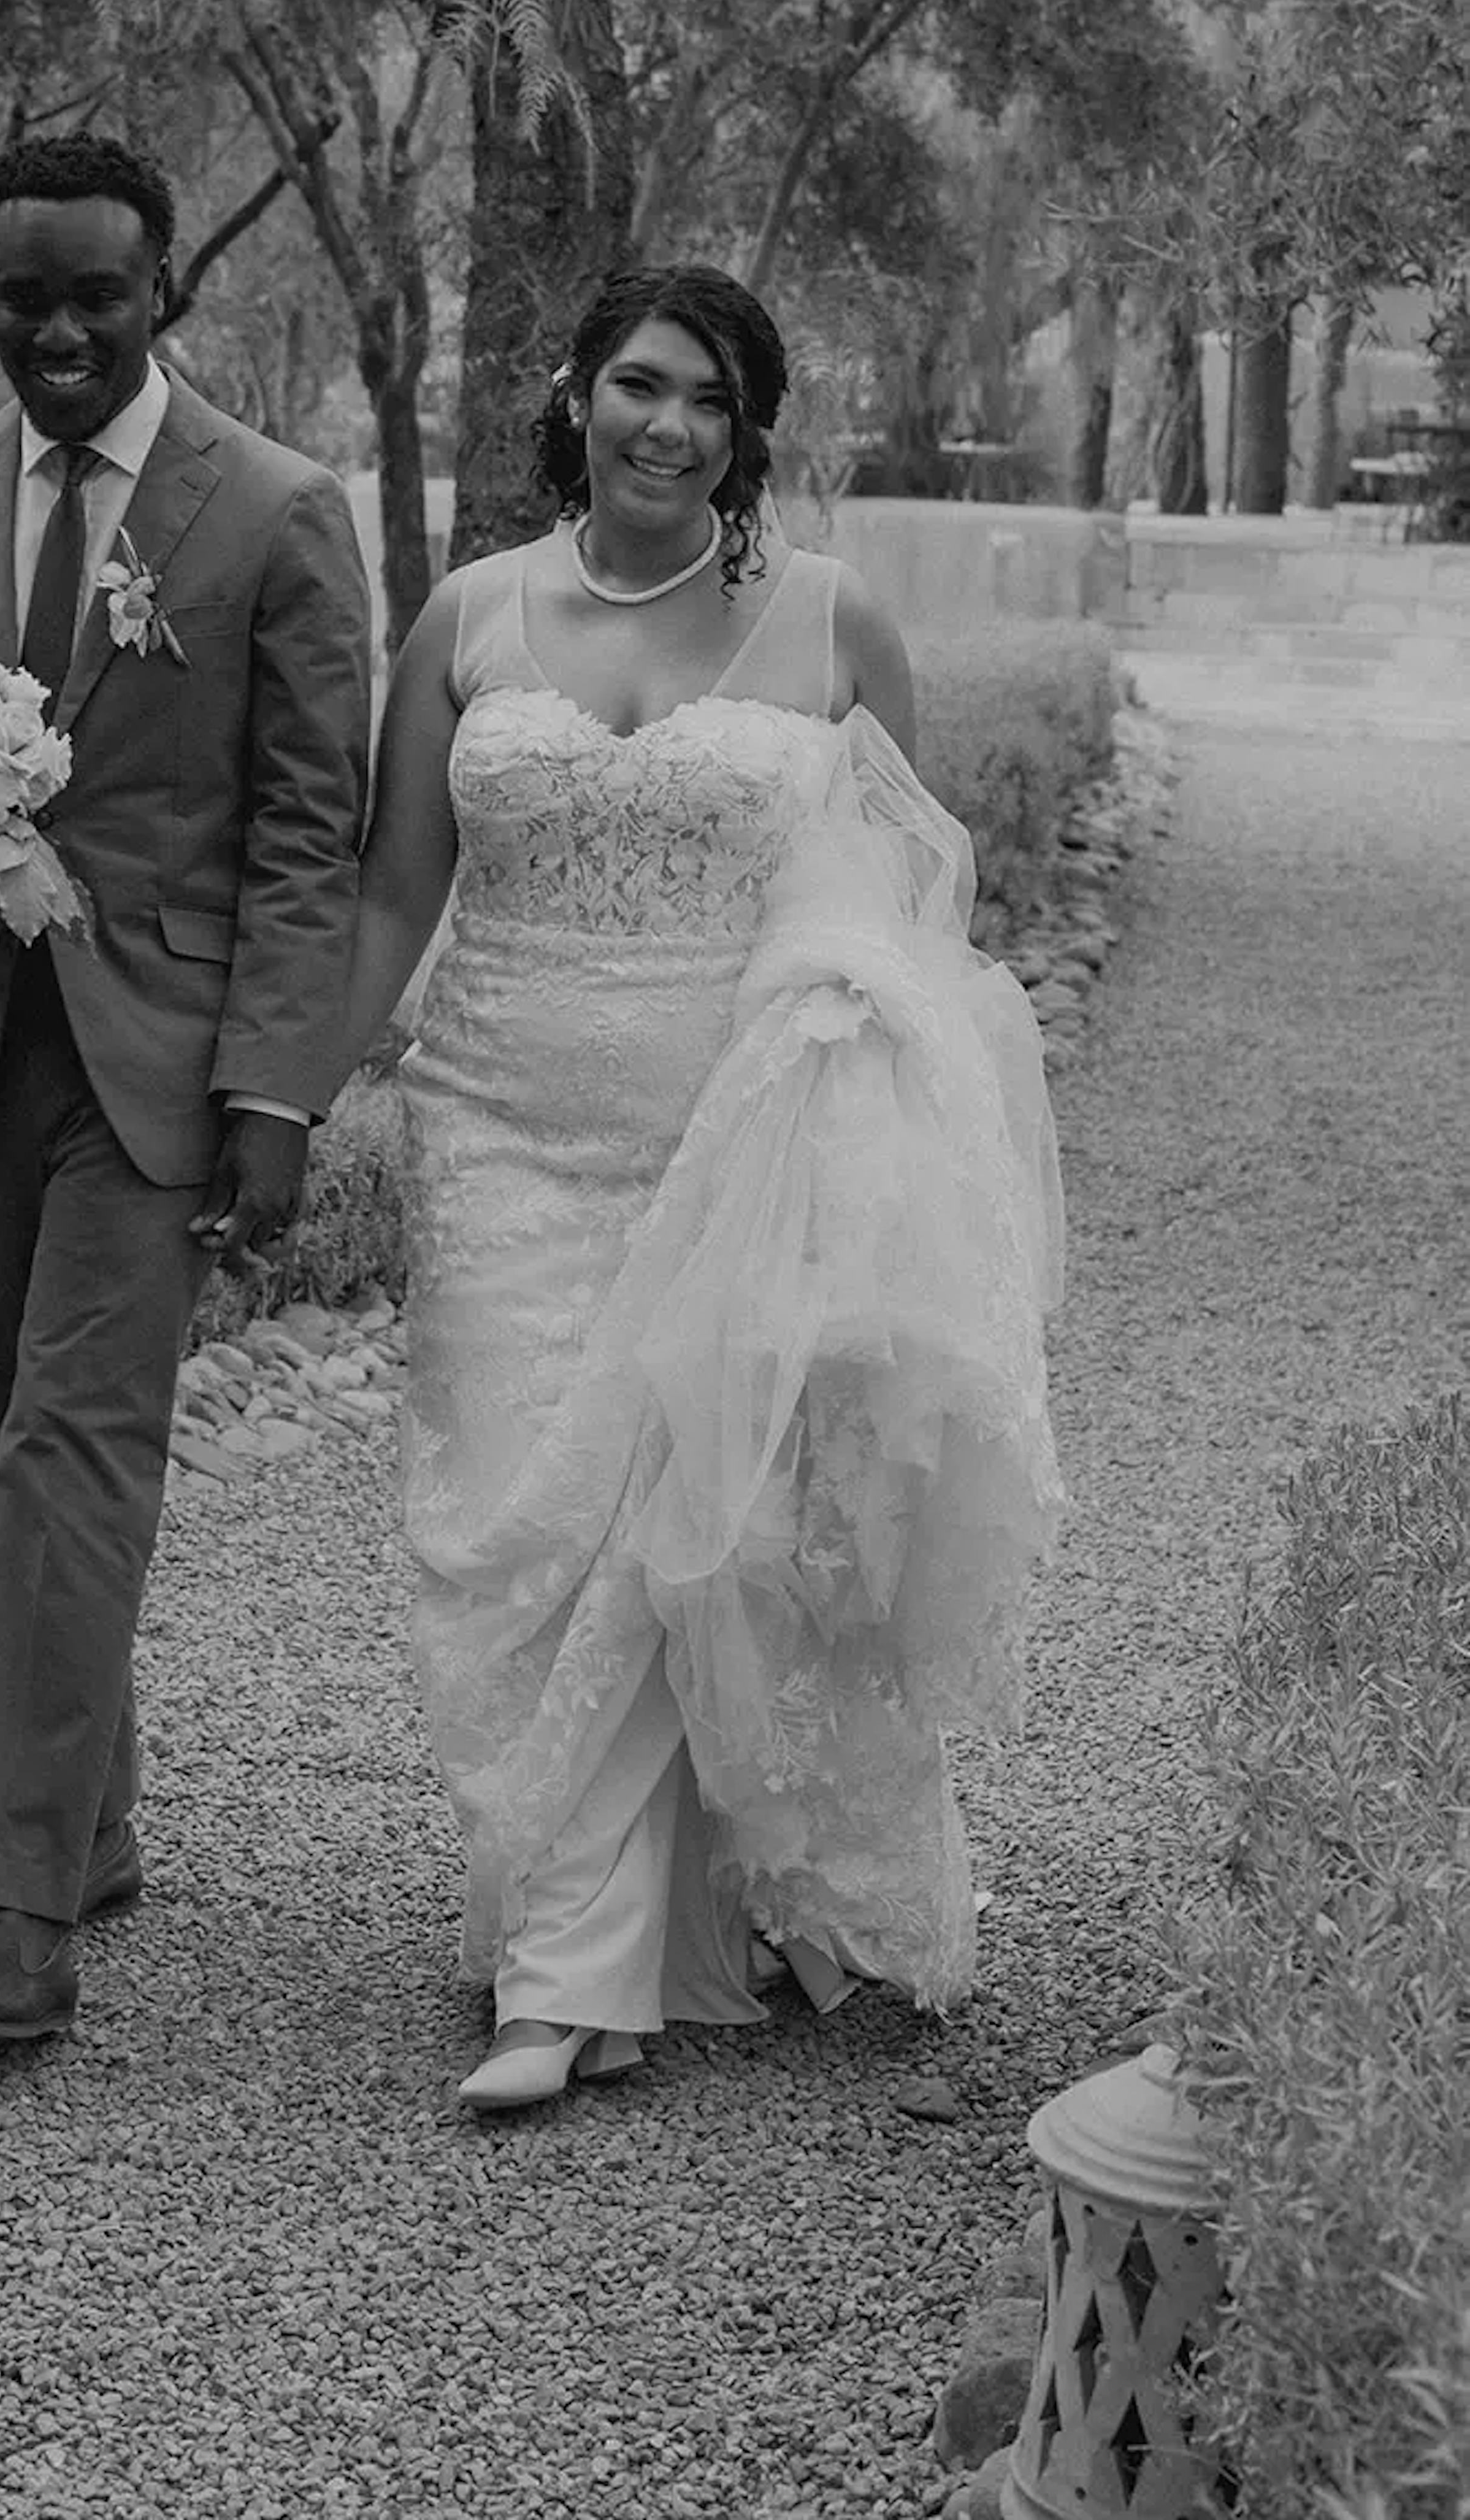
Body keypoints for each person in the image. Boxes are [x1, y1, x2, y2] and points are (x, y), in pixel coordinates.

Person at [340, 264, 1063, 2110]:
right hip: (496, 1125)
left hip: (727, 1140)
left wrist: (862, 1090)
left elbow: (911, 887)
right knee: (521, 1512)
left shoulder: (829, 623)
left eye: (712, 404)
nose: (669, 425)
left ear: (747, 440)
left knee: (684, 1515)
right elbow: (390, 892)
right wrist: (288, 1096)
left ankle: (566, 1978)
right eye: (642, 385)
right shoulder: (467, 617)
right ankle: (615, 1917)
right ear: (577, 394)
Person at [0, 132, 373, 2042]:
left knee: (80, 1452)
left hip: (166, 1067)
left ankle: (9, 1910)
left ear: (164, 289)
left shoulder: (281, 509)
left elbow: (310, 829)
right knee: (14, 1450)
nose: (59, 329)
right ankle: (91, 1824)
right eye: (23, 295)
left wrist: (283, 1090)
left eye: (95, 293)